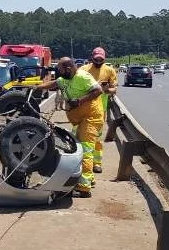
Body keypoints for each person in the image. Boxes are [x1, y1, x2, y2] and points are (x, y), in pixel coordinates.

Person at [36, 57, 104, 197]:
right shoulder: (66, 79)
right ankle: (89, 179)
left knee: (85, 150)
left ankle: (84, 189)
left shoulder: (82, 77)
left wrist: (79, 101)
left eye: (61, 71)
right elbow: (55, 83)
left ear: (68, 69)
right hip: (80, 119)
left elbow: (98, 90)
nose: (59, 74)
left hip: (90, 118)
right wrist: (37, 88)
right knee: (78, 147)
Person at [82, 47, 118, 173]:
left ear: (104, 58)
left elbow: (114, 90)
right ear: (92, 57)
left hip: (99, 111)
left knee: (97, 138)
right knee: (81, 137)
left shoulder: (109, 71)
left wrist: (107, 89)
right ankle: (82, 162)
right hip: (83, 109)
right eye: (96, 59)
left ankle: (96, 163)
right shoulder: (84, 69)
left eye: (100, 59)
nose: (98, 61)